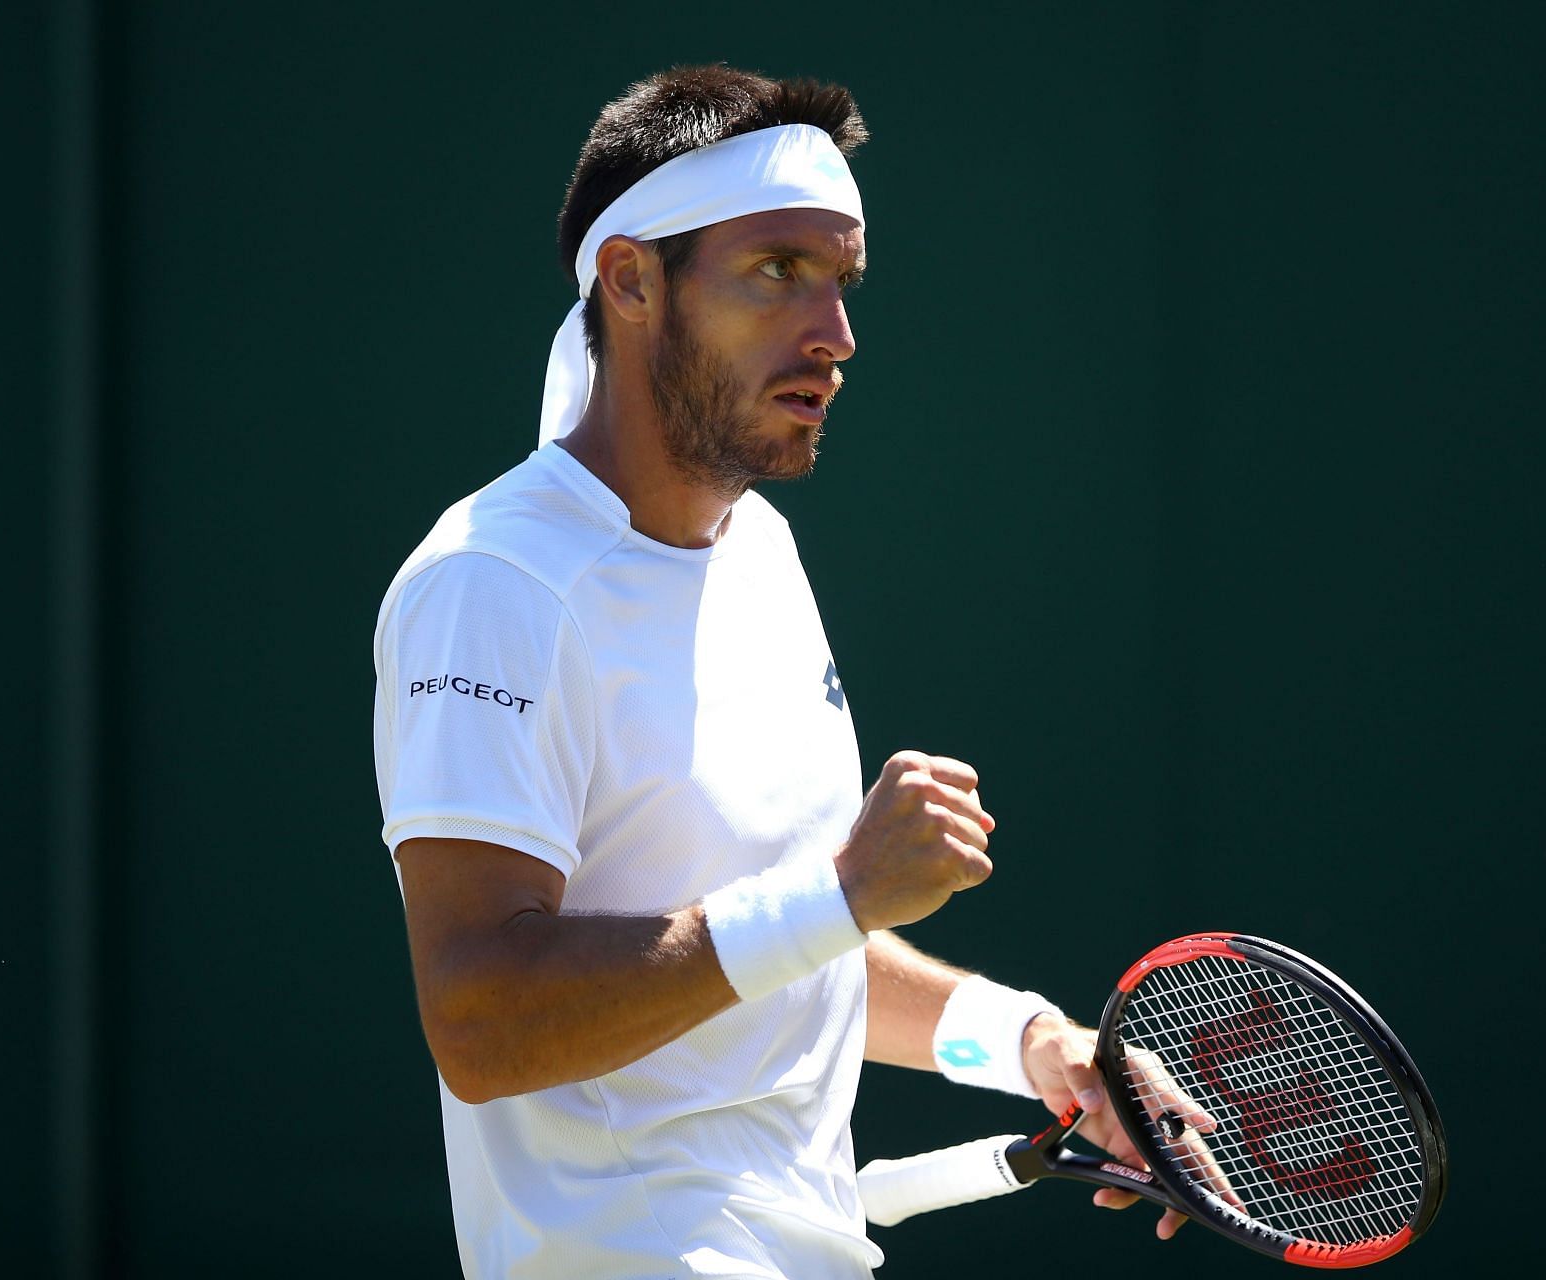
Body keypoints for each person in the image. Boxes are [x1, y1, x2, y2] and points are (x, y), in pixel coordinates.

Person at [372, 65, 1182, 1279]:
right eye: (776, 273)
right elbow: (483, 1020)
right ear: (631, 280)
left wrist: (1023, 1039)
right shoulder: (492, 587)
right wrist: (845, 890)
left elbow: (769, 937)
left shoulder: (761, 551)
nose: (837, 336)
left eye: (843, 281)